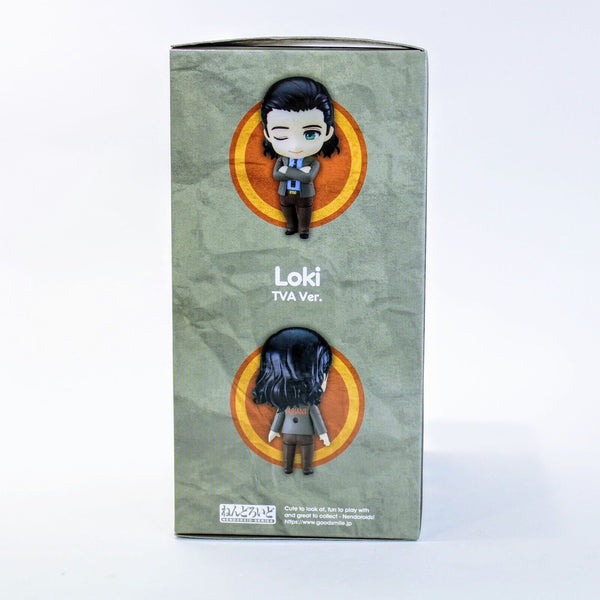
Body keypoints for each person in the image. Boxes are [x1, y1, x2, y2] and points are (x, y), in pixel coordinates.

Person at [261, 77, 341, 239]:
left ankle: (304, 230)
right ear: (268, 134)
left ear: (328, 133)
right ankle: (291, 227)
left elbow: (308, 177)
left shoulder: (312, 162)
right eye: (281, 135)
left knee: (305, 211)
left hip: (304, 194)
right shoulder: (282, 160)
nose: (295, 146)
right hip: (285, 193)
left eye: (310, 134)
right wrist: (297, 172)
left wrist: (286, 171)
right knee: (287, 210)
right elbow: (276, 175)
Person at [252, 327, 333, 474]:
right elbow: (316, 419)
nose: (326, 378)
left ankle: (291, 468)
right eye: (322, 373)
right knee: (304, 450)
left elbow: (280, 415)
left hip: (290, 434)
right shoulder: (308, 405)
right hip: (303, 435)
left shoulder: (287, 405)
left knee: (291, 451)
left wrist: (273, 431)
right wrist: (323, 435)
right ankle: (302, 468)